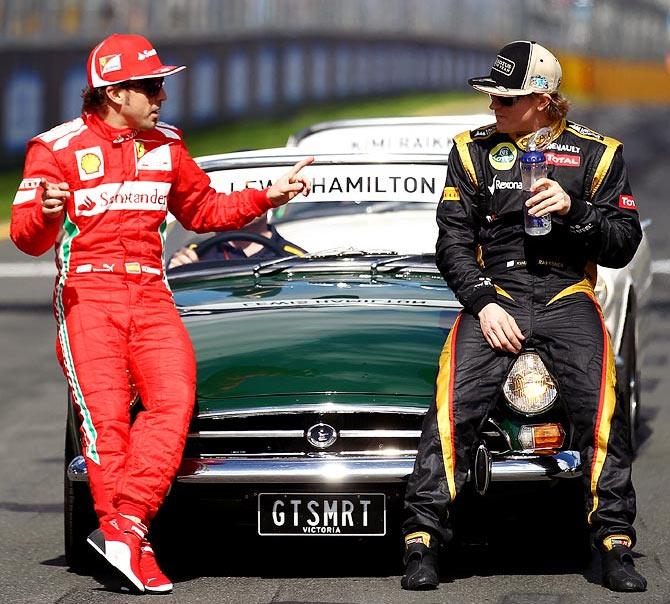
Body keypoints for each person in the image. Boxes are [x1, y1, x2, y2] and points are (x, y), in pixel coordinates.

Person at [10, 33, 313, 594]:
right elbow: (27, 240)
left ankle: (125, 527)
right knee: (107, 423)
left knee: (174, 400)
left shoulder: (169, 144)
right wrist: (46, 213)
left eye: (162, 85)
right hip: (87, 297)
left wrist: (266, 196)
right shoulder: (53, 148)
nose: (161, 97)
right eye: (151, 86)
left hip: (152, 292)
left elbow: (202, 209)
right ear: (113, 91)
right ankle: (128, 535)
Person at [401, 41, 646, 593]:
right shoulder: (471, 152)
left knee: (603, 404)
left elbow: (622, 244)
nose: (494, 106)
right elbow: (453, 241)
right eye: (491, 95)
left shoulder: (598, 154)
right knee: (451, 405)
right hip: (498, 294)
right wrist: (482, 300)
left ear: (542, 99)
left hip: (566, 292)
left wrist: (575, 210)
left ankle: (614, 544)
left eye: (506, 98)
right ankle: (422, 540)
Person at [168, 211, 306, 267]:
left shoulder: (297, 259)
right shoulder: (191, 257)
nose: (245, 198)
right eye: (234, 191)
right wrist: (179, 273)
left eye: (252, 190)